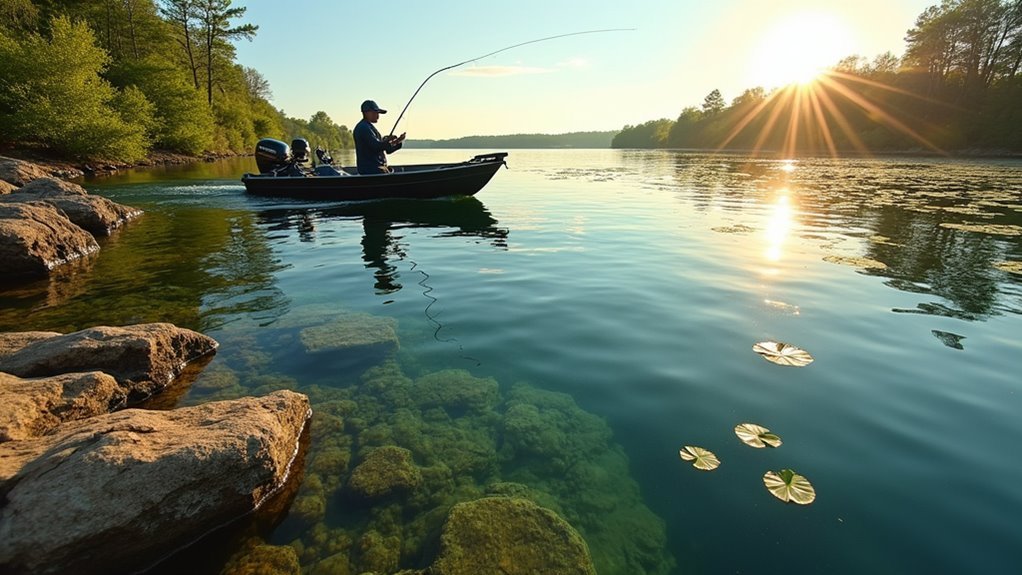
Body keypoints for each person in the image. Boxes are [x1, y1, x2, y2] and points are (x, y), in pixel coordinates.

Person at [353, 100, 406, 174]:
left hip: (377, 169)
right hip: (370, 171)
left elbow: (387, 150)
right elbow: (376, 146)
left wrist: (398, 141)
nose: (378, 115)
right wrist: (388, 140)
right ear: (366, 113)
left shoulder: (369, 127)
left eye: (378, 113)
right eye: (375, 112)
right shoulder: (363, 128)